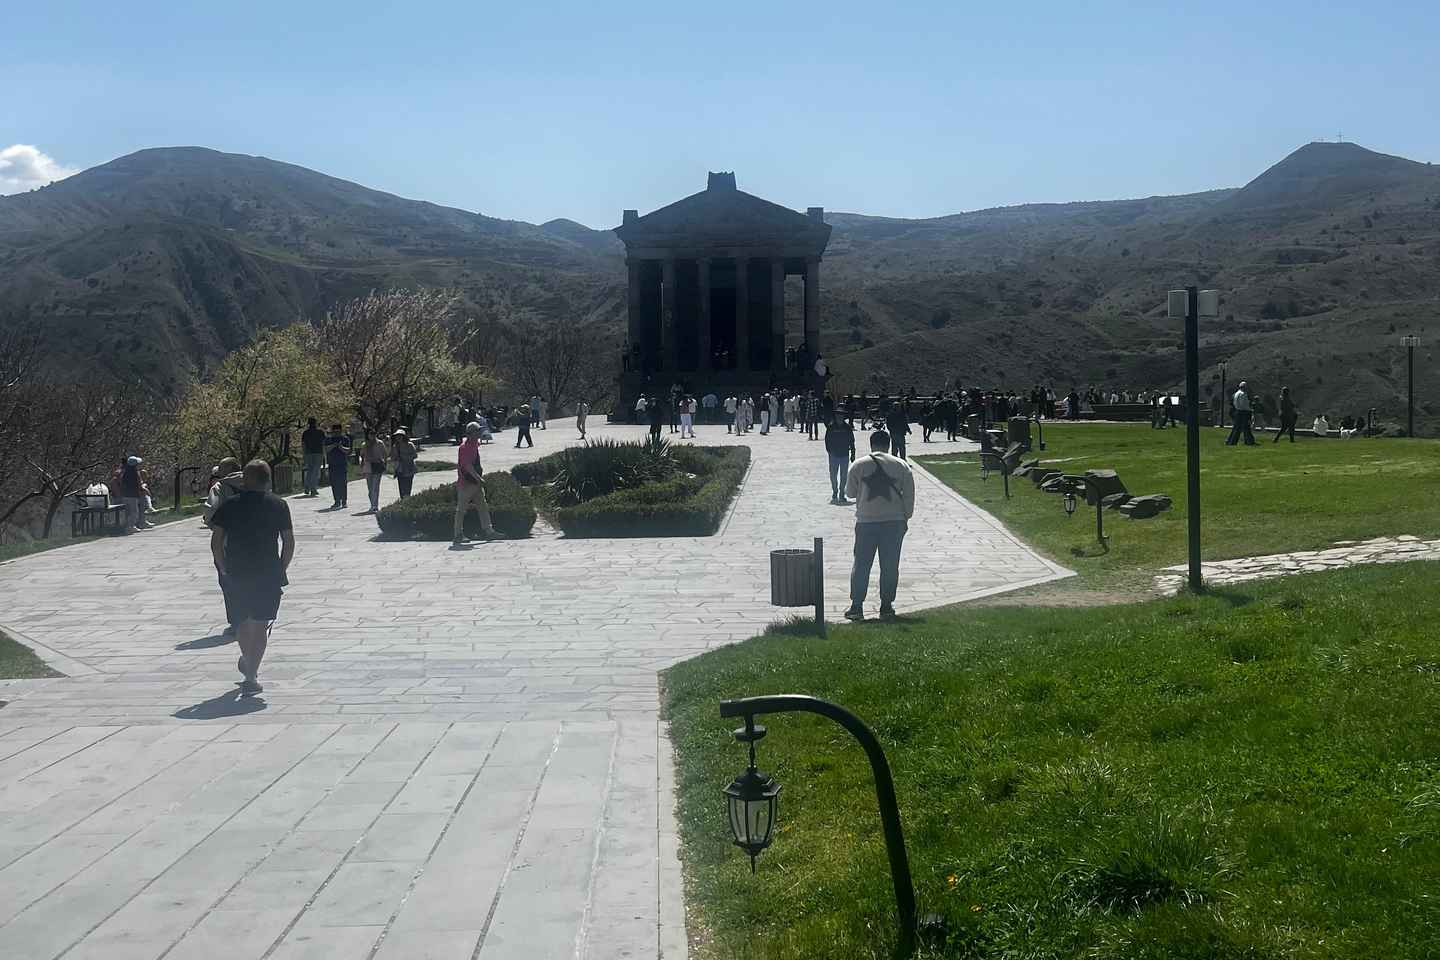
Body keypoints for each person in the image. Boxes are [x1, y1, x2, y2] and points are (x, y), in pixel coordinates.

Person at [209, 459, 294, 695]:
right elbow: (288, 541)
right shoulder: (279, 505)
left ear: (244, 480)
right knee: (260, 624)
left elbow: (216, 542)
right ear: (268, 480)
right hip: (268, 572)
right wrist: (282, 568)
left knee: (242, 622)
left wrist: (223, 568)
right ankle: (250, 674)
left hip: (237, 571)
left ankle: (249, 664)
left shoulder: (230, 505)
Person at [843, 430, 915, 622]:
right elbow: (909, 496)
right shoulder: (901, 465)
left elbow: (850, 493)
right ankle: (886, 606)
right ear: (889, 445)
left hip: (866, 521)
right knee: (890, 566)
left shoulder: (859, 465)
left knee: (861, 565)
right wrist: (905, 517)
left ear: (871, 444)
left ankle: (856, 606)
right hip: (894, 522)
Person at [454, 420, 497, 544]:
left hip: (475, 483)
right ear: (470, 433)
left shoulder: (475, 444)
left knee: (483, 506)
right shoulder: (464, 447)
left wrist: (478, 480)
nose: (479, 433)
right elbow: (467, 466)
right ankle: (458, 534)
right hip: (466, 483)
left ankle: (489, 531)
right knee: (461, 510)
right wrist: (479, 478)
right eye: (477, 431)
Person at [824, 412, 856, 504]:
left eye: (841, 416)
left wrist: (853, 453)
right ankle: (835, 491)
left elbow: (852, 440)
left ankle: (842, 492)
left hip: (844, 454)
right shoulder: (831, 427)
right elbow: (827, 440)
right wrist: (829, 451)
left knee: (844, 475)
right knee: (833, 475)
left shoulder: (847, 427)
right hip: (833, 454)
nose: (839, 417)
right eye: (838, 416)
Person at [119, 456, 150, 532]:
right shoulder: (136, 473)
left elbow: (122, 483)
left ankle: (127, 526)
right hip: (133, 495)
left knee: (128, 512)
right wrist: (145, 490)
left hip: (125, 495)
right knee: (134, 512)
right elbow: (139, 485)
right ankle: (130, 527)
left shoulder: (125, 472)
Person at [360, 430, 389, 512]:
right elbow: (362, 455)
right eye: (370, 434)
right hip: (368, 466)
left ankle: (375, 506)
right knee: (370, 488)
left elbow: (385, 454)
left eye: (373, 434)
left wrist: (385, 464)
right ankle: (372, 504)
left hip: (377, 465)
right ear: (368, 435)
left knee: (375, 487)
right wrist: (362, 466)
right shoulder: (364, 444)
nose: (372, 435)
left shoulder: (380, 443)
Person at [325, 424, 351, 507]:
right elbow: (326, 449)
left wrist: (340, 447)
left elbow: (348, 450)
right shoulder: (329, 439)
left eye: (338, 432)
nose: (336, 433)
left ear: (341, 431)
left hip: (342, 464)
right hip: (332, 464)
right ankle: (337, 501)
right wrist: (333, 445)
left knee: (343, 483)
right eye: (335, 432)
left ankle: (344, 501)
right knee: (334, 483)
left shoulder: (345, 439)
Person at [300, 418, 326, 496]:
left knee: (310, 471)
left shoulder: (305, 433)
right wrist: (324, 454)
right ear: (316, 423)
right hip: (318, 453)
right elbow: (323, 443)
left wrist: (304, 454)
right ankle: (313, 488)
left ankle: (307, 487)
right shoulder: (320, 432)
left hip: (308, 453)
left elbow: (303, 444)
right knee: (315, 471)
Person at [1226, 381, 1256, 446]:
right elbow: (1244, 405)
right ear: (1244, 387)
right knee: (1246, 428)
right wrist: (1250, 410)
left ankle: (1230, 441)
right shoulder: (1243, 394)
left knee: (1236, 428)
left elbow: (1233, 403)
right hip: (1244, 412)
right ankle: (1249, 441)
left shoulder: (1235, 394)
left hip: (1237, 411)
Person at [391, 429, 418, 497]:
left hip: (409, 468)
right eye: (397, 436)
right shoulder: (395, 446)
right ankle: (403, 499)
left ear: (404, 436)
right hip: (400, 469)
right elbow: (393, 458)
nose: (398, 438)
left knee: (408, 487)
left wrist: (405, 457)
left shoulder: (410, 445)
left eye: (400, 436)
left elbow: (415, 455)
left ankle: (407, 499)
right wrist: (396, 459)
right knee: (401, 487)